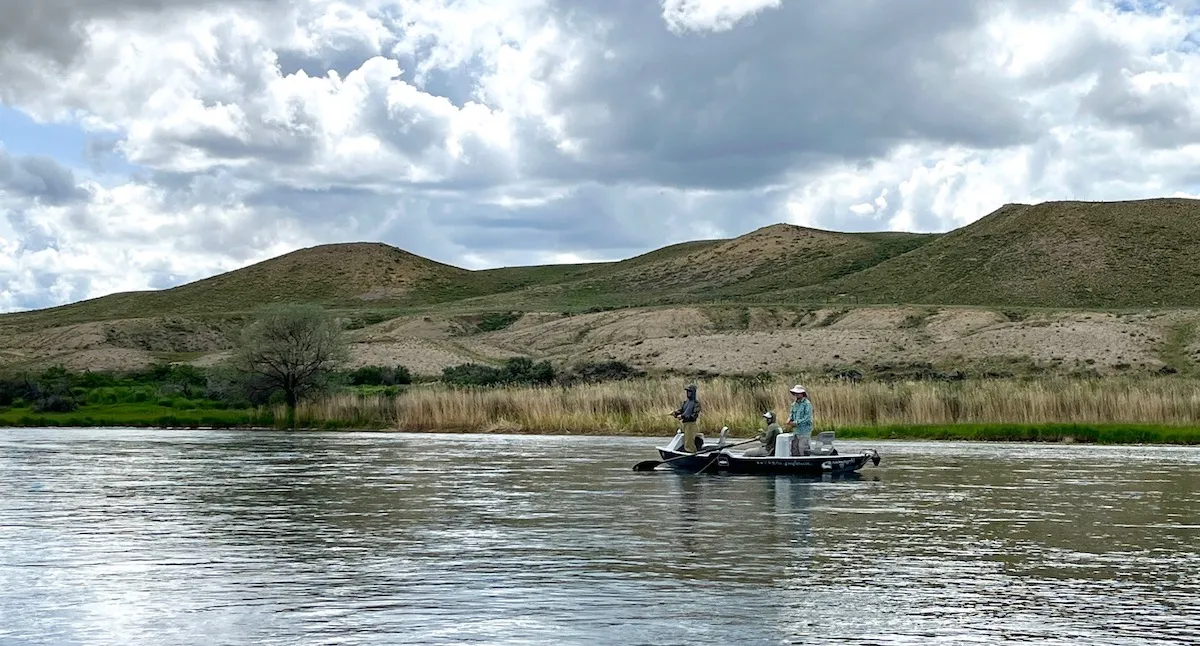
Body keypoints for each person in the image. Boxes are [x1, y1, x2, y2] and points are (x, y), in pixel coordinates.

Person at [672, 384, 702, 452]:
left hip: (691, 424)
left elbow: (694, 416)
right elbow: (682, 410)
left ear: (693, 393)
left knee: (689, 442)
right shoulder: (685, 402)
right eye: (687, 391)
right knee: (685, 441)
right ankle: (687, 452)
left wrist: (682, 416)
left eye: (690, 391)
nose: (688, 393)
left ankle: (692, 453)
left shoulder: (696, 403)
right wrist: (676, 413)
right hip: (684, 424)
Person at [785, 384, 813, 455]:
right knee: (794, 449)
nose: (796, 394)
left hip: (805, 431)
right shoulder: (793, 404)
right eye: (795, 393)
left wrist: (796, 423)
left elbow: (807, 417)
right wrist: (789, 420)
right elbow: (791, 414)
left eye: (798, 393)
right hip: (796, 431)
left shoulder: (807, 404)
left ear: (802, 393)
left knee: (802, 448)